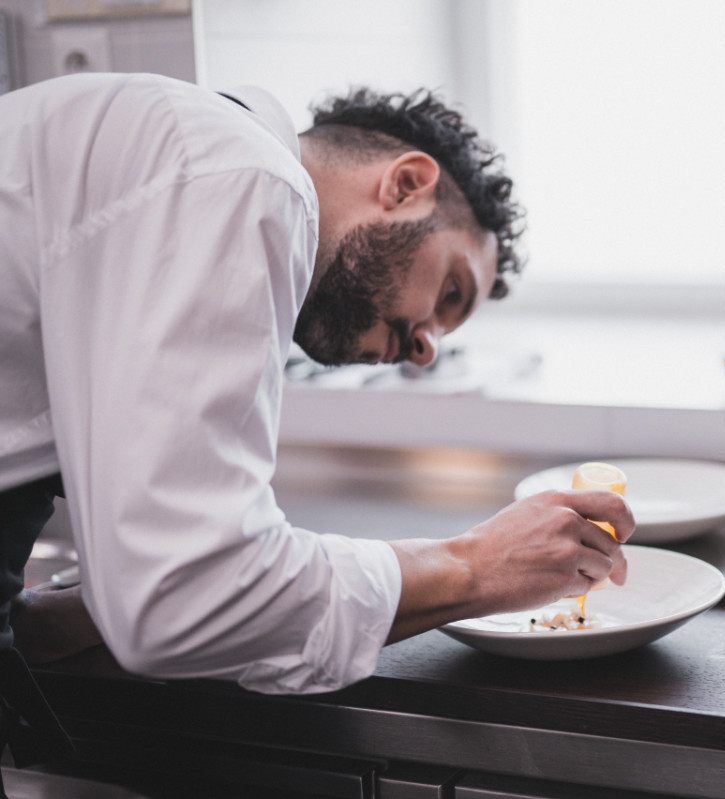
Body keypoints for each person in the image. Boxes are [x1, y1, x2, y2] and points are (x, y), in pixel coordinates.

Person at [0, 72, 632, 778]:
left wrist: (70, 610)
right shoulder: (243, 176)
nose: (425, 349)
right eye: (449, 290)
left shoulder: (179, 154)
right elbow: (184, 598)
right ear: (406, 184)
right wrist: (476, 565)